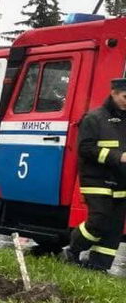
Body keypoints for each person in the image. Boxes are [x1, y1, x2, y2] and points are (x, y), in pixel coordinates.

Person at [64, 77, 126, 271]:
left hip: (121, 181)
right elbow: (85, 148)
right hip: (97, 179)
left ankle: (98, 266)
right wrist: (118, 157)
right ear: (114, 93)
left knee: (114, 226)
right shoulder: (94, 118)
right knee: (99, 219)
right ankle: (72, 250)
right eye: (125, 96)